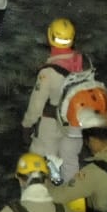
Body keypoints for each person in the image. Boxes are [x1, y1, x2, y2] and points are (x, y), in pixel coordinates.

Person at [20, 17, 88, 168]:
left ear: (50, 36)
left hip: (52, 123)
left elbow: (36, 104)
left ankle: (41, 188)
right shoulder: (83, 61)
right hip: (76, 121)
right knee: (68, 161)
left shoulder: (49, 72)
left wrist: (27, 124)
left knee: (41, 159)